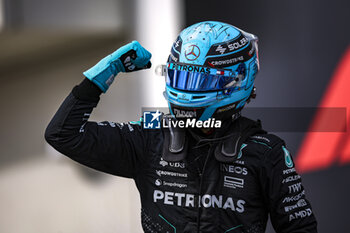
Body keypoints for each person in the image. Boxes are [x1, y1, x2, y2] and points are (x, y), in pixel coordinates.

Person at [45, 21, 318, 233]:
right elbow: (62, 134)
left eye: (200, 82)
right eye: (181, 77)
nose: (187, 92)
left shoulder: (266, 152)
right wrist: (102, 75)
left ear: (237, 81)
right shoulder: (152, 136)